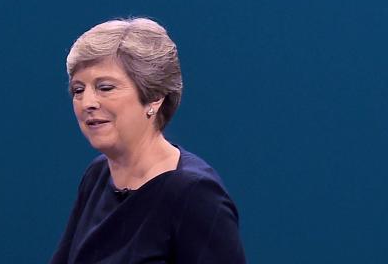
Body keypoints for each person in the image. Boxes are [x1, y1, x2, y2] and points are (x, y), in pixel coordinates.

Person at [50, 18, 247, 264]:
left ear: (154, 97)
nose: (87, 102)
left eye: (106, 87)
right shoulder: (98, 174)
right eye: (78, 90)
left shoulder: (195, 194)